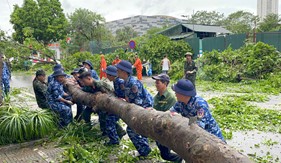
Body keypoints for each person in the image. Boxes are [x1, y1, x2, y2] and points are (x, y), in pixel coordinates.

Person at [116, 60, 152, 157]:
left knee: (132, 130)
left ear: (124, 72)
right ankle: (144, 149)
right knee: (137, 129)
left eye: (118, 70)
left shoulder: (133, 83)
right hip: (137, 107)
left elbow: (138, 102)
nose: (117, 72)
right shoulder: (125, 82)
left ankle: (145, 150)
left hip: (144, 108)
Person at [152, 74, 182, 162]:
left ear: (165, 84)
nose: (156, 85)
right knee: (164, 154)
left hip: (166, 128)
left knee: (165, 154)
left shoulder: (171, 98)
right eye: (155, 83)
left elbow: (171, 115)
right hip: (158, 126)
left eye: (158, 83)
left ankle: (180, 159)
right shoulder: (156, 97)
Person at [103, 65, 127, 145]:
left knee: (109, 120)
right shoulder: (115, 81)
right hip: (118, 103)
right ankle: (120, 132)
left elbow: (126, 93)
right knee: (108, 118)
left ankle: (114, 140)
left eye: (107, 75)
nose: (106, 76)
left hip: (122, 104)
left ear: (110, 75)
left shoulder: (120, 82)